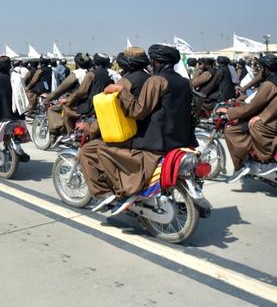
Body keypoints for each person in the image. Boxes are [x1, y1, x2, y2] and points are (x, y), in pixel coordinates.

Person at [82, 44, 196, 215]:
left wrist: (120, 91)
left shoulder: (156, 80)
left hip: (156, 141)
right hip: (180, 138)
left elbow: (137, 111)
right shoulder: (184, 82)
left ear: (156, 61)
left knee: (103, 149)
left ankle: (118, 192)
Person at [79, 48, 152, 209]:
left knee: (87, 151)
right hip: (147, 131)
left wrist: (90, 128)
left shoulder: (124, 82)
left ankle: (104, 194)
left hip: (129, 133)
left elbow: (112, 114)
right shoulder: (150, 78)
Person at [217, 55, 277, 180]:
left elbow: (252, 107)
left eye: (262, 68)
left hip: (268, 118)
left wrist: (229, 112)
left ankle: (242, 166)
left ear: (266, 68)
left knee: (231, 129)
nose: (260, 71)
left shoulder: (269, 84)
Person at [62, 53, 113, 133]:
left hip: (89, 106)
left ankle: (70, 133)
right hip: (102, 105)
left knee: (66, 108)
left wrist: (68, 100)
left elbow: (81, 91)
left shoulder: (91, 74)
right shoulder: (108, 74)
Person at [44, 53, 92, 135]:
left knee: (52, 109)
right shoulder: (91, 73)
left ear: (76, 63)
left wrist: (48, 98)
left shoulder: (76, 74)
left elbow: (61, 89)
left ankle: (56, 132)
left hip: (76, 103)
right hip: (88, 102)